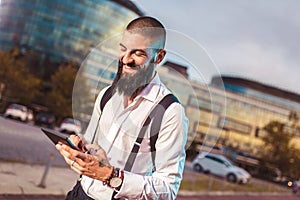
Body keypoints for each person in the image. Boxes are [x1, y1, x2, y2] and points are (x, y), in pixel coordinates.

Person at [56, 16, 188, 200]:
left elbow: (167, 189)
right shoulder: (106, 95)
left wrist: (111, 176)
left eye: (138, 53)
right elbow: (93, 144)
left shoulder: (169, 112)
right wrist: (80, 147)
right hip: (79, 194)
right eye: (123, 49)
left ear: (159, 57)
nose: (126, 59)